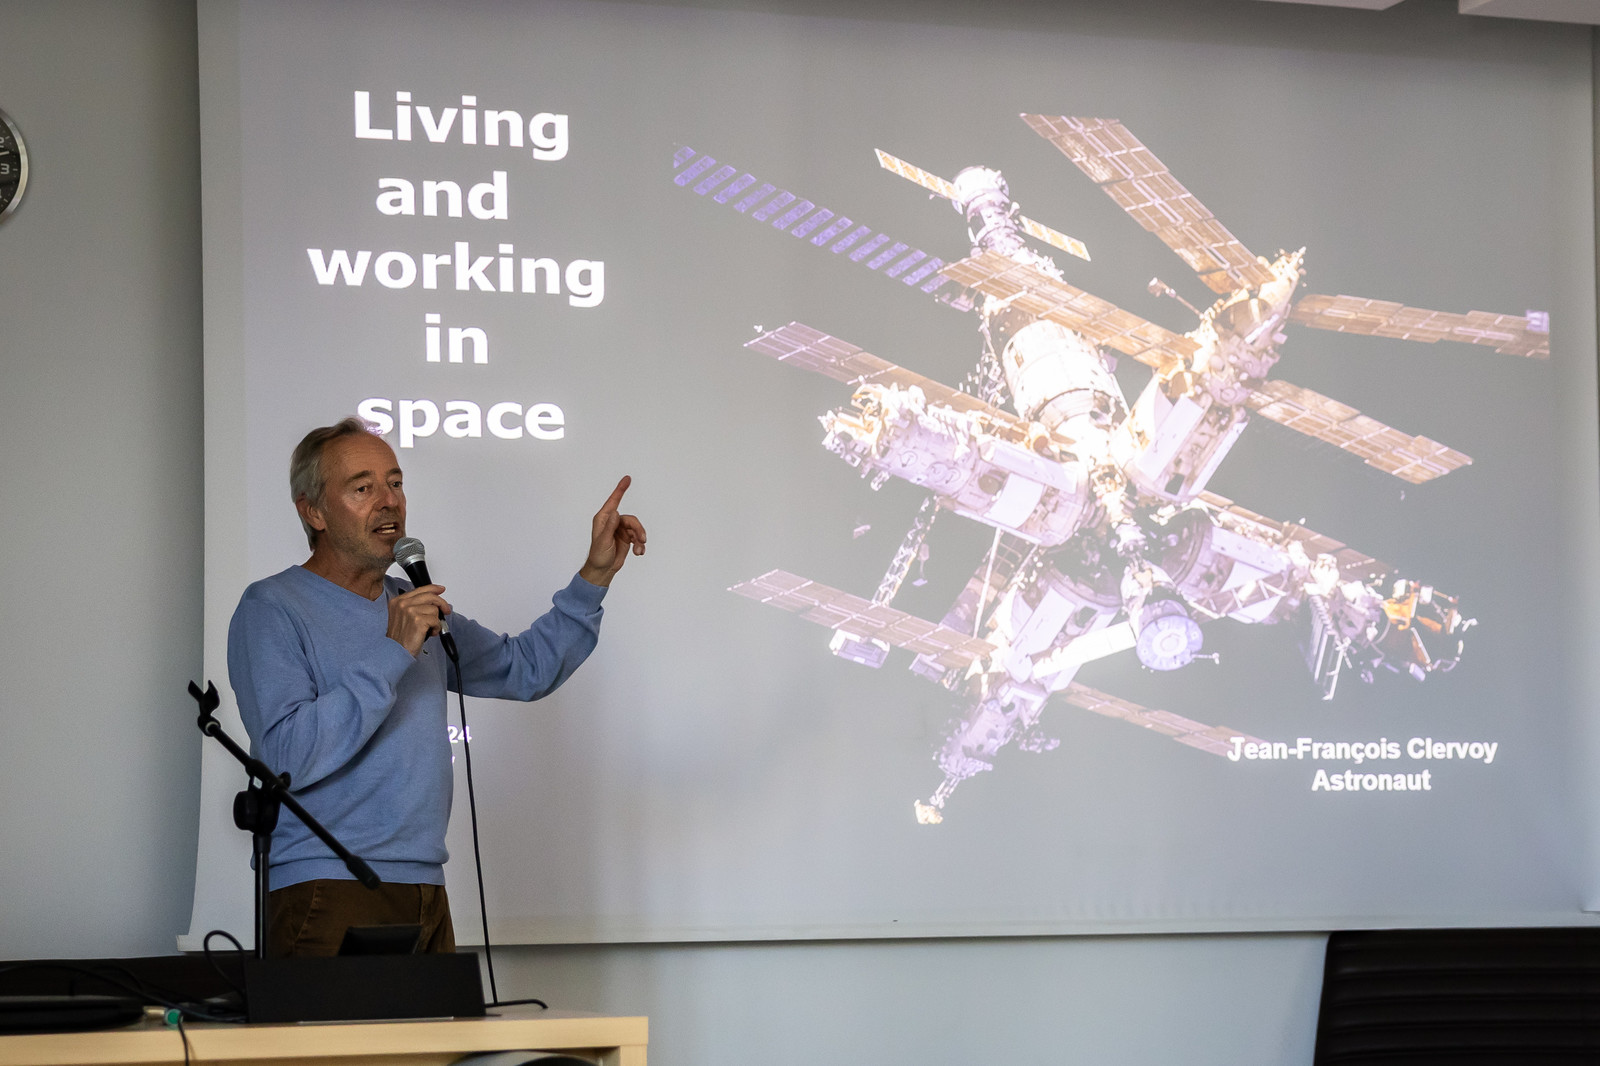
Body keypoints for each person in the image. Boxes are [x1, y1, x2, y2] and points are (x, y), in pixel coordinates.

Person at [227, 417, 645, 957]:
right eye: (362, 488)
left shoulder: (414, 606)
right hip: (326, 885)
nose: (389, 501)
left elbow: (526, 668)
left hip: (425, 884)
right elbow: (286, 755)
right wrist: (393, 650)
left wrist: (595, 575)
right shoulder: (272, 607)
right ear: (314, 512)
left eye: (395, 483)